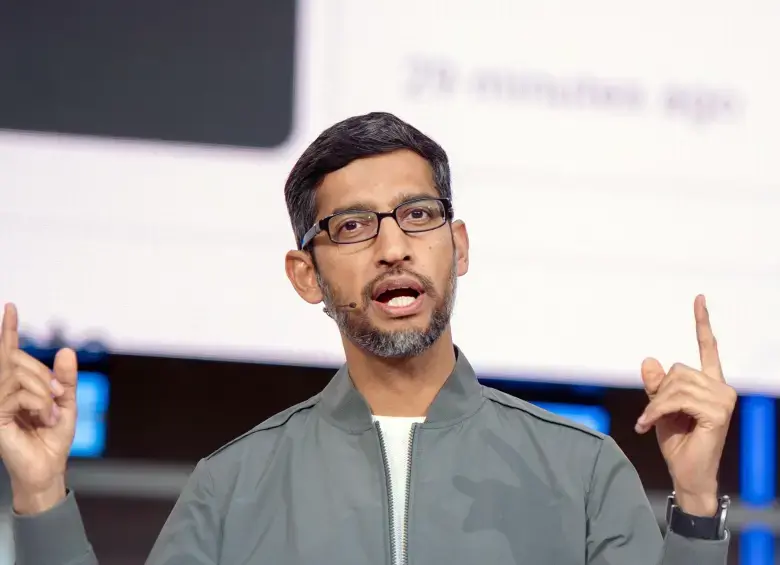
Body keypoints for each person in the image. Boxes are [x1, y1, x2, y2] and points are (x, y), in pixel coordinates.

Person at [1, 112, 736, 565]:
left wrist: (697, 501)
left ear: (461, 246)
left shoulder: (581, 471)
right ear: (305, 274)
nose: (393, 247)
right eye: (352, 226)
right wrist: (39, 491)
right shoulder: (233, 485)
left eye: (418, 215)